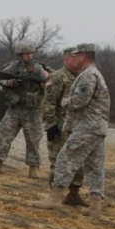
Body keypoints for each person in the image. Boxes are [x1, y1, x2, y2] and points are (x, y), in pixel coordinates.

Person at [33, 43, 110, 217]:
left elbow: (81, 100)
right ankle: (95, 205)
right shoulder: (94, 73)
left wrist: (66, 102)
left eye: (76, 55)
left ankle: (54, 198)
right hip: (97, 127)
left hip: (87, 126)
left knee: (65, 158)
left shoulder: (88, 75)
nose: (74, 58)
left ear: (83, 56)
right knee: (94, 166)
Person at [0, 40, 51, 177]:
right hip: (15, 108)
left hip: (33, 110)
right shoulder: (12, 68)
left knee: (33, 139)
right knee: (4, 135)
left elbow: (52, 80)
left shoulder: (40, 69)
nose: (28, 56)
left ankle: (34, 167)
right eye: (25, 54)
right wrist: (10, 83)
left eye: (30, 53)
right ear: (19, 55)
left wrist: (45, 85)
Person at [43, 47, 89, 206]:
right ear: (66, 59)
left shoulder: (82, 77)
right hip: (60, 126)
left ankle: (73, 194)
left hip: (77, 127)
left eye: (79, 58)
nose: (77, 61)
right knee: (58, 161)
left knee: (78, 162)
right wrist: (50, 124)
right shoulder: (57, 77)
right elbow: (48, 103)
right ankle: (54, 196)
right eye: (73, 58)